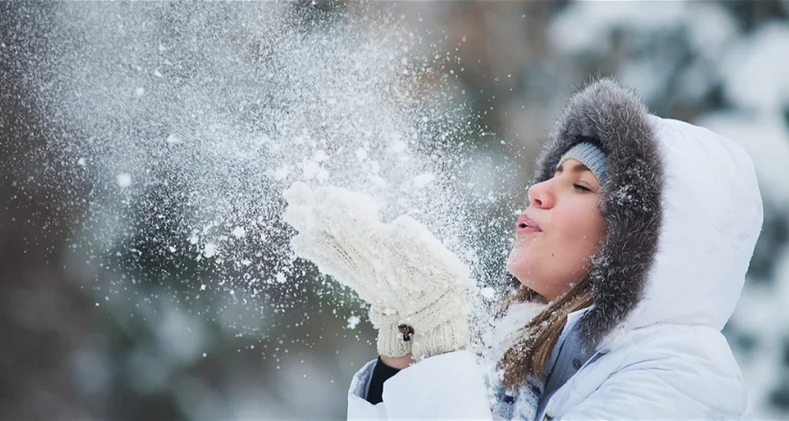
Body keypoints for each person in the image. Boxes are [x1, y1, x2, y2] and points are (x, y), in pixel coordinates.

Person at [283, 78, 763, 420]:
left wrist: (442, 354)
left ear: (638, 242)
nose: (539, 190)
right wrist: (407, 353)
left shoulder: (680, 380)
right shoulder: (530, 352)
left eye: (582, 186)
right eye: (554, 172)